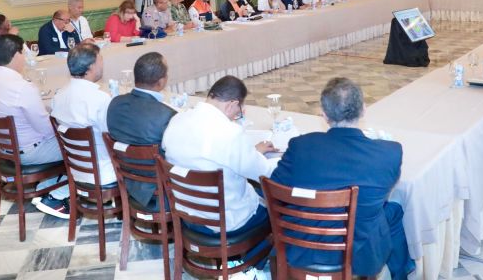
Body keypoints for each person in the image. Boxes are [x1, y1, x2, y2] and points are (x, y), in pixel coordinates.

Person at [270, 78, 415, 279]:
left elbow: (275, 187)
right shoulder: (389, 153)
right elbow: (382, 191)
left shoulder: (300, 146)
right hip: (358, 256)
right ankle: (401, 275)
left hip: (299, 247)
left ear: (325, 115)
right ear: (363, 110)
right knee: (393, 210)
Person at [163, 75, 275, 245]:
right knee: (276, 205)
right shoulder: (230, 134)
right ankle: (252, 264)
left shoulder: (177, 120)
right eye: (238, 112)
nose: (236, 117)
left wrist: (251, 151)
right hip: (226, 223)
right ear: (232, 104)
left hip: (187, 215)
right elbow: (264, 171)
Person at [0, 34, 70, 218]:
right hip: (28, 153)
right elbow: (46, 129)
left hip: (1, 150)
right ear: (16, 55)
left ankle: (45, 186)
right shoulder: (22, 87)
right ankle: (56, 196)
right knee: (82, 148)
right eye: (22, 53)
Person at [106, 52, 176, 208]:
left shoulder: (114, 104)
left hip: (127, 182)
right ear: (161, 81)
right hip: (160, 192)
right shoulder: (166, 115)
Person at [51, 44, 116, 185]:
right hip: (105, 171)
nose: (102, 65)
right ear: (91, 67)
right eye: (101, 60)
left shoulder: (58, 96)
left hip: (76, 169)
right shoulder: (100, 99)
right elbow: (112, 137)